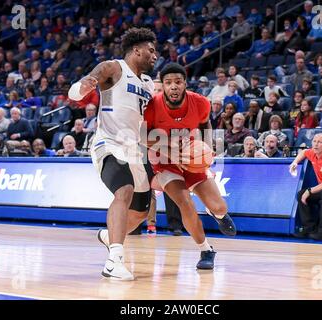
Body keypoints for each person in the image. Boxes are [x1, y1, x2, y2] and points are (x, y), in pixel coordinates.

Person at [68, 28, 157, 281]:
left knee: (140, 212)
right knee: (124, 191)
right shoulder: (114, 68)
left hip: (135, 151)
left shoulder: (148, 83)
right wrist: (84, 85)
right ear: (136, 50)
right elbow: (92, 78)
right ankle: (114, 260)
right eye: (151, 50)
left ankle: (109, 236)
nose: (154, 55)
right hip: (109, 143)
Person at [144, 63, 237, 270]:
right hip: (165, 161)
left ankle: (219, 215)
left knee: (219, 206)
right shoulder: (152, 106)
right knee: (185, 203)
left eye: (178, 82)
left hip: (192, 156)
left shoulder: (200, 102)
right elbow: (142, 137)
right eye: (168, 83)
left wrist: (208, 146)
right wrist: (172, 152)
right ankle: (206, 250)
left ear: (185, 83)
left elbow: (205, 125)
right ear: (163, 85)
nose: (173, 87)